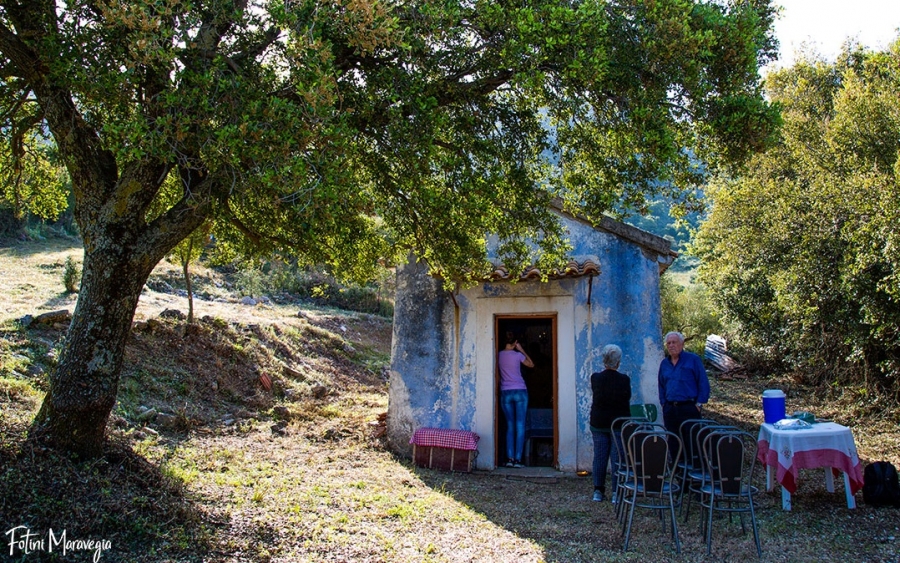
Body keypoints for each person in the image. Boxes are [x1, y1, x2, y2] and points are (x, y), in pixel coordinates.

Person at [589, 344, 632, 503]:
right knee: (617, 458)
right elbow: (626, 397)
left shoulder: (596, 378)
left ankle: (598, 491)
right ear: (618, 362)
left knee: (599, 456)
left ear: (603, 361)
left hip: (599, 423)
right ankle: (616, 492)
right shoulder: (624, 380)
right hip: (618, 424)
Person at [657, 331, 710, 451]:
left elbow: (703, 382)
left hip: (689, 407)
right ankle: (677, 468)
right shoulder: (664, 364)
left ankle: (693, 468)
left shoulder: (693, 360)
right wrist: (664, 403)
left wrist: (698, 404)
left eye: (674, 342)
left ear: (681, 344)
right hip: (670, 408)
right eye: (668, 343)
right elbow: (661, 385)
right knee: (673, 441)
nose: (671, 345)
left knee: (692, 441)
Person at [498, 331, 534, 468]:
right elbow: (531, 364)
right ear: (515, 342)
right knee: (520, 426)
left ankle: (509, 458)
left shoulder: (499, 355)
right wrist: (522, 350)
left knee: (510, 426)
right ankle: (518, 460)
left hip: (505, 391)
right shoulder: (518, 355)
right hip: (520, 391)